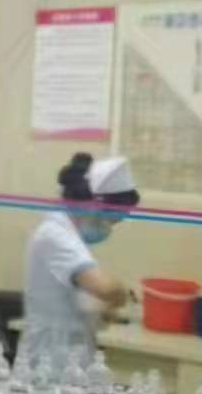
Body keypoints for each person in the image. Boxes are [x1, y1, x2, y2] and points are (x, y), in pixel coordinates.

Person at [24, 153, 139, 359]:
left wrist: (103, 309)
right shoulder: (55, 235)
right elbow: (107, 288)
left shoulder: (69, 235)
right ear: (91, 207)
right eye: (109, 221)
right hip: (51, 360)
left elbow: (78, 296)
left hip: (70, 356)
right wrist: (121, 295)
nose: (108, 228)